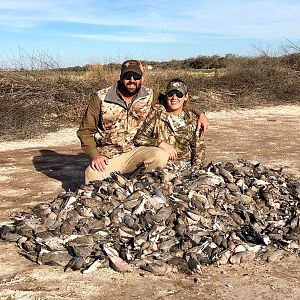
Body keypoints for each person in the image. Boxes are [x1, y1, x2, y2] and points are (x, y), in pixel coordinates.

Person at [77, 60, 208, 183]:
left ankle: (140, 184)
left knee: (160, 155)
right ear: (121, 77)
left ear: (142, 78)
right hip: (110, 155)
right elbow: (85, 131)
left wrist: (199, 113)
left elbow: (174, 101)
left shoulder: (150, 95)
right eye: (128, 76)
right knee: (92, 175)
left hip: (138, 151)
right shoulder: (101, 98)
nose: (132, 80)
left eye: (137, 76)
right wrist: (95, 155)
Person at [133, 78, 205, 167]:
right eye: (171, 94)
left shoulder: (193, 120)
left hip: (185, 170)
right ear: (166, 96)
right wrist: (159, 144)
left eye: (179, 94)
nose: (174, 98)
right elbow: (139, 138)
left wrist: (196, 171)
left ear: (185, 97)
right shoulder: (157, 113)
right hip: (159, 168)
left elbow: (198, 151)